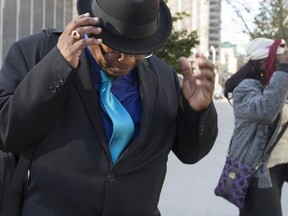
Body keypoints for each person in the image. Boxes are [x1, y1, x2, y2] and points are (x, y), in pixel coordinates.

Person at [0, 0, 218, 215]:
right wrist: (59, 64)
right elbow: (7, 133)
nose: (126, 60)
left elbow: (190, 153)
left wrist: (197, 111)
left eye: (138, 51)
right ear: (91, 28)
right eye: (115, 49)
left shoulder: (164, 77)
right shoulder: (36, 52)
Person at [224, 37, 288, 216]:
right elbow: (266, 111)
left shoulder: (275, 88)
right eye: (279, 61)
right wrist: (284, 71)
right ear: (262, 64)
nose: (282, 65)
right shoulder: (245, 88)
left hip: (277, 169)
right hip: (254, 172)